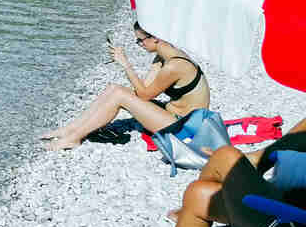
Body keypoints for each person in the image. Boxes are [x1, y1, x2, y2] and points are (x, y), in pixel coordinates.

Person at [135, 117, 306, 227]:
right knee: (199, 195)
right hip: (278, 207)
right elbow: (278, 149)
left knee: (226, 156)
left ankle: (185, 214)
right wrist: (248, 164)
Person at [43, 22, 210, 150]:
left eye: (140, 40)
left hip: (184, 127)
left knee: (119, 95)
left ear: (155, 38)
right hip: (173, 114)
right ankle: (70, 129)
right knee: (114, 89)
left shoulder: (174, 66)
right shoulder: (164, 56)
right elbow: (143, 88)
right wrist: (145, 68)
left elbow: (144, 96)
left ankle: (75, 138)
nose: (140, 44)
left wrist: (126, 65)